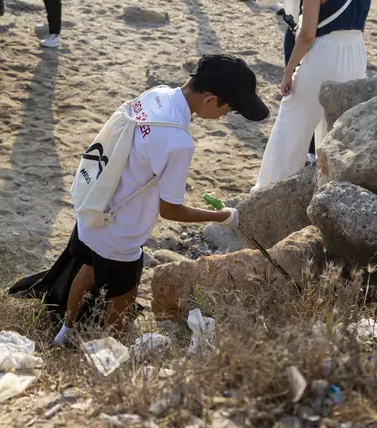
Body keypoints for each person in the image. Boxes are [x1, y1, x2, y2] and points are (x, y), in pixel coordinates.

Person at [54, 55, 266, 341]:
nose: (226, 116)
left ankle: (64, 333)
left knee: (89, 267)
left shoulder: (157, 95)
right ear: (210, 100)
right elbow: (170, 210)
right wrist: (221, 216)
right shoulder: (179, 142)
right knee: (122, 300)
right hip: (120, 231)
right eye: (229, 109)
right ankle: (106, 359)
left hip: (93, 205)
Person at [255, 0, 372, 188]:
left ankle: (269, 189)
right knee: (334, 128)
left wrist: (288, 71)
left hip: (325, 53)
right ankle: (326, 188)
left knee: (293, 122)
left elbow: (307, 34)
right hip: (356, 53)